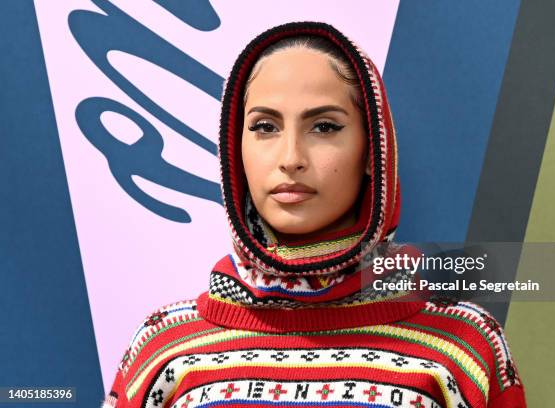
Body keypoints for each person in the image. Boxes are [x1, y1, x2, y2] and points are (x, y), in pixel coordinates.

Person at [102, 22, 527, 408]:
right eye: (265, 127)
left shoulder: (464, 345)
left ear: (372, 151)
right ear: (236, 150)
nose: (291, 158)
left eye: (324, 126)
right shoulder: (165, 346)